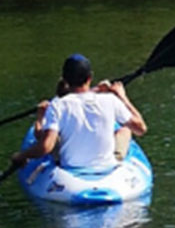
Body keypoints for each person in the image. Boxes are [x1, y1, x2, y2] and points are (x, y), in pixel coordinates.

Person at [8, 54, 147, 174]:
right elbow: (141, 129)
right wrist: (122, 96)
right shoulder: (110, 100)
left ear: (65, 80)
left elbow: (46, 146)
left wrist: (22, 155)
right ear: (89, 78)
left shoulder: (57, 105)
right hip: (107, 167)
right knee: (126, 129)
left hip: (71, 169)